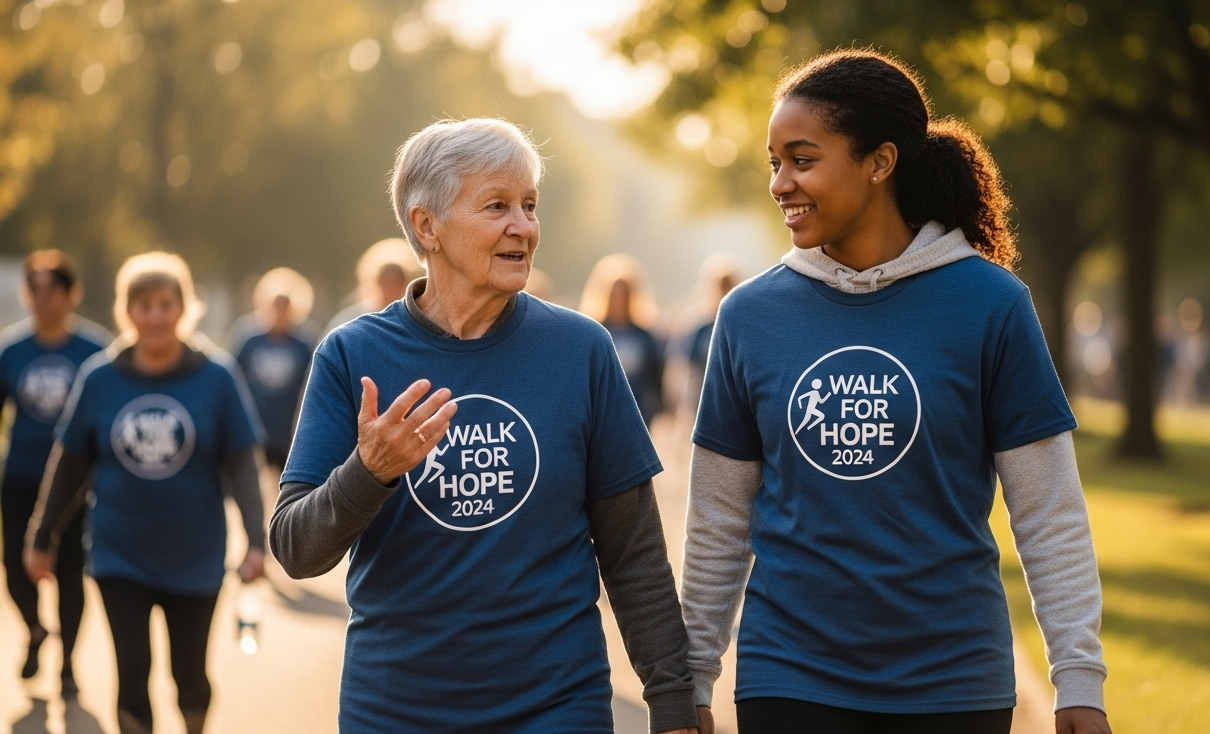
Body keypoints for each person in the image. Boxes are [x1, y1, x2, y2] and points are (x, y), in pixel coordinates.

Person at [682, 50, 1112, 734]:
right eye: (773, 162)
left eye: (802, 159)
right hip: (790, 675)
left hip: (953, 682)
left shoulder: (991, 304)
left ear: (879, 162)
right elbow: (717, 518)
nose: (780, 183)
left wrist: (1079, 679)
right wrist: (694, 674)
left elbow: (1047, 510)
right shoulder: (749, 316)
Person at [271, 118, 698, 734]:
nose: (523, 226)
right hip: (395, 708)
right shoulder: (351, 355)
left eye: (529, 205)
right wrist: (368, 473)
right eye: (497, 205)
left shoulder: (580, 350)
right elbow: (295, 548)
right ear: (427, 226)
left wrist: (673, 697)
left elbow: (632, 549)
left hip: (556, 705)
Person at [25, 252, 266, 734]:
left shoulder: (215, 377)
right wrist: (42, 534)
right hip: (120, 556)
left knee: (189, 678)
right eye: (143, 305)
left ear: (184, 308)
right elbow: (70, 464)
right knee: (132, 678)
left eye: (165, 304)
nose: (155, 316)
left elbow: (241, 464)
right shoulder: (100, 378)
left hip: (196, 558)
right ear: (126, 311)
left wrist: (256, 541)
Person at [0, 250, 109, 695]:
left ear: (71, 294)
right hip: (21, 478)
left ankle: (67, 665)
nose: (44, 300)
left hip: (76, 485)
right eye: (36, 290)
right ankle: (34, 629)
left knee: (68, 572)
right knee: (14, 566)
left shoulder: (95, 352)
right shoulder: (11, 351)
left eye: (54, 290)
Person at [227, 267, 319, 473]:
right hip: (255, 423)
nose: (280, 312)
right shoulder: (248, 339)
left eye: (285, 306)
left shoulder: (303, 343)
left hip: (290, 427)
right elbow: (233, 378)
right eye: (275, 305)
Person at [580, 254, 665, 425]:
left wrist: (657, 408)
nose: (619, 299)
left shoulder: (644, 336)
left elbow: (656, 378)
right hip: (601, 413)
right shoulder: (593, 333)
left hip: (638, 413)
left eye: (624, 293)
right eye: (615, 293)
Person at [324, 238, 419, 333]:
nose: (390, 288)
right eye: (385, 280)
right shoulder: (350, 319)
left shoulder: (413, 321)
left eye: (396, 281)